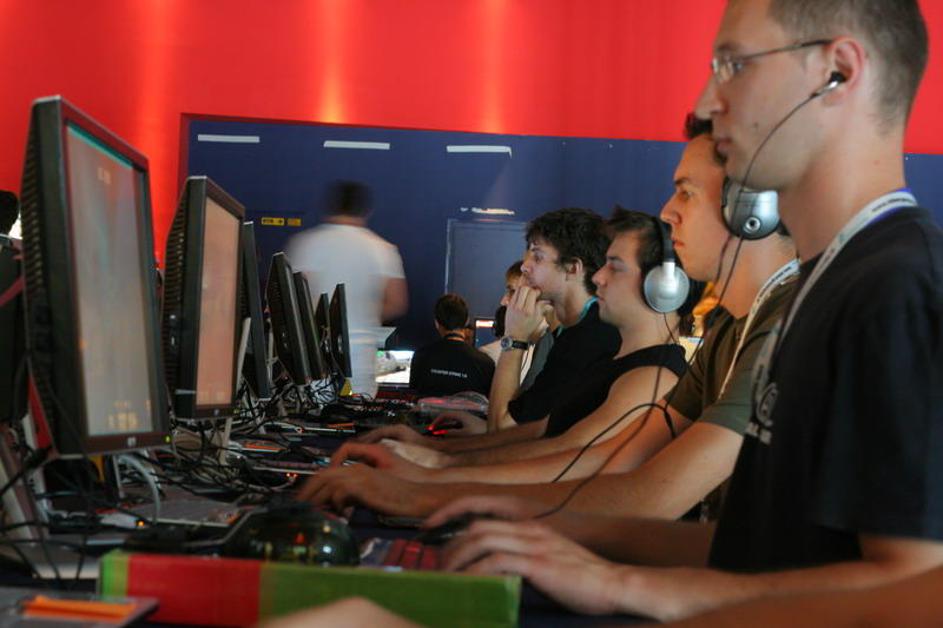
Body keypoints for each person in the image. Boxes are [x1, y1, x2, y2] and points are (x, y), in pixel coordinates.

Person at [433, 0, 943, 622]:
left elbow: (914, 594)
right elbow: (758, 553)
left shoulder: (899, 288)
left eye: (734, 64)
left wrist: (624, 585)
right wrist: (531, 527)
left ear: (836, 72)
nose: (707, 100)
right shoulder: (828, 283)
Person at [311, 116, 797, 524]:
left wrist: (433, 485)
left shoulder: (780, 329)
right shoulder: (730, 328)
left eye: (686, 193)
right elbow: (595, 457)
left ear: (749, 208)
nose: (669, 211)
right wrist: (432, 470)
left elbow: (642, 492)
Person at [300, 208, 693, 514]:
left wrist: (433, 474)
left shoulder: (651, 375)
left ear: (665, 288)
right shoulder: (620, 358)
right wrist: (432, 453)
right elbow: (542, 434)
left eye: (614, 267)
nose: (600, 278)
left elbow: (569, 456)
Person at [286, 181, 408, 397]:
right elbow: (397, 303)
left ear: (329, 207)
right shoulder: (383, 249)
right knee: (358, 413)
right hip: (360, 357)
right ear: (367, 211)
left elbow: (290, 300)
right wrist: (364, 316)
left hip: (315, 354)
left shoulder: (306, 244)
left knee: (311, 411)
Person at [408, 293, 494, 397]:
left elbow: (413, 395)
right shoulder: (485, 363)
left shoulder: (421, 356)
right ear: (466, 321)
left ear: (436, 323)